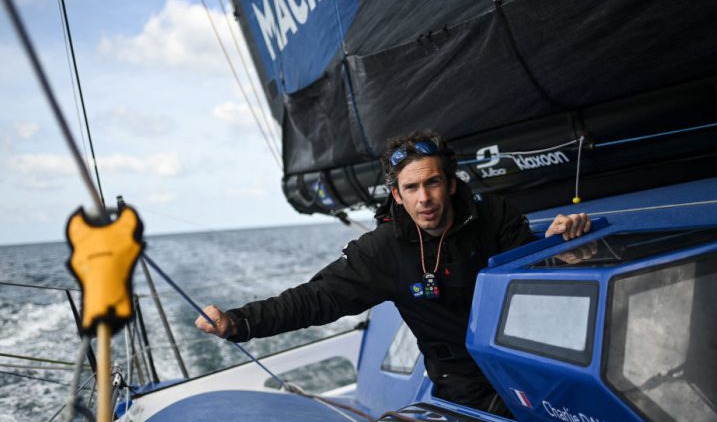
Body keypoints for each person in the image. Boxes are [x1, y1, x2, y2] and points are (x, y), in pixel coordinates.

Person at [196, 130, 591, 417]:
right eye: (412, 187)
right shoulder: (382, 250)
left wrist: (558, 249)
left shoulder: (494, 215)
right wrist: (239, 322)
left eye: (433, 182)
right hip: (463, 384)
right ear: (397, 196)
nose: (425, 198)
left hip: (523, 364)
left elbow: (533, 280)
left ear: (451, 184)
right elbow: (317, 299)